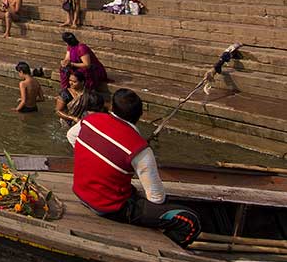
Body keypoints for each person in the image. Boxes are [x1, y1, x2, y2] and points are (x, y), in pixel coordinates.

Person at [65, 89, 201, 246]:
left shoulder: (90, 120)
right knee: (190, 221)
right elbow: (156, 198)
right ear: (139, 115)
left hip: (81, 192)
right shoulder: (140, 149)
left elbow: (71, 136)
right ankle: (164, 248)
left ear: (112, 108)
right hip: (110, 208)